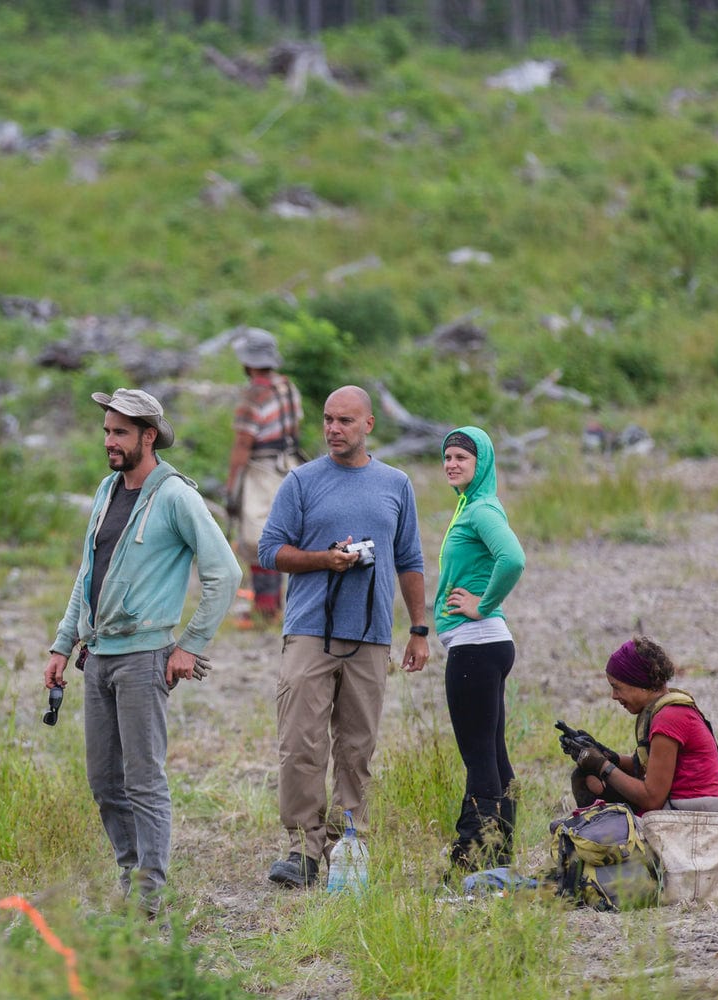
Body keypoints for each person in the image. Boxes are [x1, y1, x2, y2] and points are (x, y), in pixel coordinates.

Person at [44, 388, 241, 915]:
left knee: (144, 779)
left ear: (148, 436)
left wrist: (189, 647)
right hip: (98, 656)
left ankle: (150, 895)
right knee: (104, 780)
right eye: (107, 430)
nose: (109, 441)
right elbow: (86, 575)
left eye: (120, 433)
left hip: (144, 657)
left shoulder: (176, 495)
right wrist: (62, 645)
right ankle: (130, 878)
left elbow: (226, 573)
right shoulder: (107, 490)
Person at [257, 385, 430, 888]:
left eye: (345, 421)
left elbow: (411, 560)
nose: (333, 429)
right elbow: (270, 551)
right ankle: (303, 849)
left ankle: (348, 841)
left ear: (369, 424)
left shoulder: (395, 484)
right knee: (300, 743)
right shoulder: (302, 482)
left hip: (371, 635)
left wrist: (418, 630)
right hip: (311, 629)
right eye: (328, 420)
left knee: (357, 747)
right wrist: (324, 560)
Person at [434, 426, 527, 872]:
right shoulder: (470, 506)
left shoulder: (482, 511)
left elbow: (513, 558)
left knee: (478, 757)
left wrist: (482, 604)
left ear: (481, 464)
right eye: (448, 457)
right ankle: (500, 856)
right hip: (485, 645)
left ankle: (474, 859)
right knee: (492, 753)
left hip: (476, 645)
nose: (452, 464)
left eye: (462, 458)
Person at [567, 636, 718, 814]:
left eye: (617, 687)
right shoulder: (663, 711)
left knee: (594, 779)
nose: (613, 696)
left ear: (639, 683)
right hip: (678, 808)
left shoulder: (670, 718)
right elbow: (645, 767)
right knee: (586, 776)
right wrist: (603, 754)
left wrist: (602, 765)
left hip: (692, 817)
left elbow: (652, 798)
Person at [224, 327, 304, 628]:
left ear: (248, 361)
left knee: (256, 538)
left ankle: (266, 609)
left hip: (262, 471)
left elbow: (243, 445)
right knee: (285, 537)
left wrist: (232, 487)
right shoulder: (287, 387)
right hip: (289, 467)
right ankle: (276, 606)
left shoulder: (253, 395)